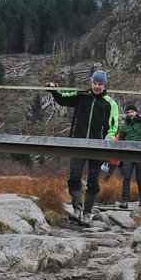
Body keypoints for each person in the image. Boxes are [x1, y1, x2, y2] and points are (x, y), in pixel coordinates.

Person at [47, 70, 119, 225]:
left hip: (97, 146)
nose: (97, 86)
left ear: (105, 86)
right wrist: (53, 90)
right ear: (91, 83)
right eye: (95, 83)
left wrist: (110, 137)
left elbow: (113, 125)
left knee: (93, 181)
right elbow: (62, 99)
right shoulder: (82, 96)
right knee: (74, 176)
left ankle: (87, 213)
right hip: (78, 143)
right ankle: (77, 209)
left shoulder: (110, 103)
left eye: (100, 84)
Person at [116, 104, 141, 207]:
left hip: (140, 154)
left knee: (139, 178)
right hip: (128, 154)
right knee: (126, 177)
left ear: (136, 112)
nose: (130, 114)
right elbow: (121, 140)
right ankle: (125, 201)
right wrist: (120, 156)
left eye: (132, 112)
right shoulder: (124, 124)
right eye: (128, 112)